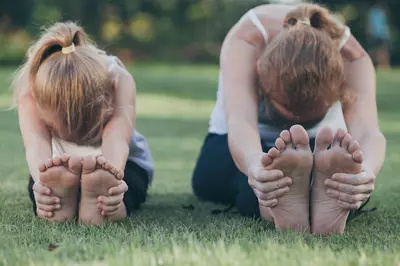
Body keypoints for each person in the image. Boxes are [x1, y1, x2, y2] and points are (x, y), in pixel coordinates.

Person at [191, 3, 386, 235]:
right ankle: (276, 199)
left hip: (319, 148)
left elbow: (368, 132)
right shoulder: (248, 39)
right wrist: (255, 167)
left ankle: (323, 197)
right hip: (244, 140)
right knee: (220, 177)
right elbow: (240, 121)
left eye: (310, 116)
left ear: (340, 84)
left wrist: (365, 173)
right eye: (284, 111)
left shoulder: (353, 58)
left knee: (346, 181)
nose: (294, 124)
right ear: (260, 70)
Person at [12, 22, 154, 225]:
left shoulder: (117, 79)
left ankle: (109, 207)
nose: (77, 139)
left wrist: (112, 180)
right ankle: (56, 204)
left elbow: (117, 138)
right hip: (58, 164)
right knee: (44, 183)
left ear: (105, 101)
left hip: (123, 162)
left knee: (131, 184)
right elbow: (36, 143)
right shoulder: (32, 87)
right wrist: (42, 187)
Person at [367, 1, 391, 69]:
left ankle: (384, 65)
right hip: (375, 34)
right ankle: (371, 63)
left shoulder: (382, 12)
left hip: (382, 34)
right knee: (375, 50)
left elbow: (385, 24)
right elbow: (370, 24)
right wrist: (370, 32)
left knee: (384, 50)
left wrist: (387, 32)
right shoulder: (372, 12)